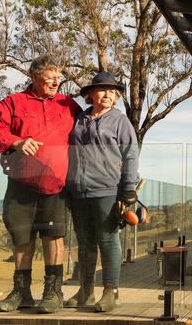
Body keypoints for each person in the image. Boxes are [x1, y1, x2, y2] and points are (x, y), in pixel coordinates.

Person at [0, 55, 81, 314]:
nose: (56, 81)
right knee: (22, 237)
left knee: (53, 237)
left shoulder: (67, 104)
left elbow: (86, 131)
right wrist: (16, 142)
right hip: (20, 184)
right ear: (34, 76)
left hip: (56, 185)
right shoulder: (13, 102)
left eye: (59, 76)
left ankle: (53, 292)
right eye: (50, 77)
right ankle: (21, 293)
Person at [65, 72, 139, 312]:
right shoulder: (79, 118)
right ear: (90, 94)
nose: (107, 94)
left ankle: (111, 292)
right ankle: (85, 290)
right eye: (101, 90)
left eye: (112, 91)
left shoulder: (120, 121)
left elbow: (130, 154)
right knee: (85, 243)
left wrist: (128, 188)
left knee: (108, 240)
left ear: (116, 96)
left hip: (108, 189)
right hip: (77, 190)